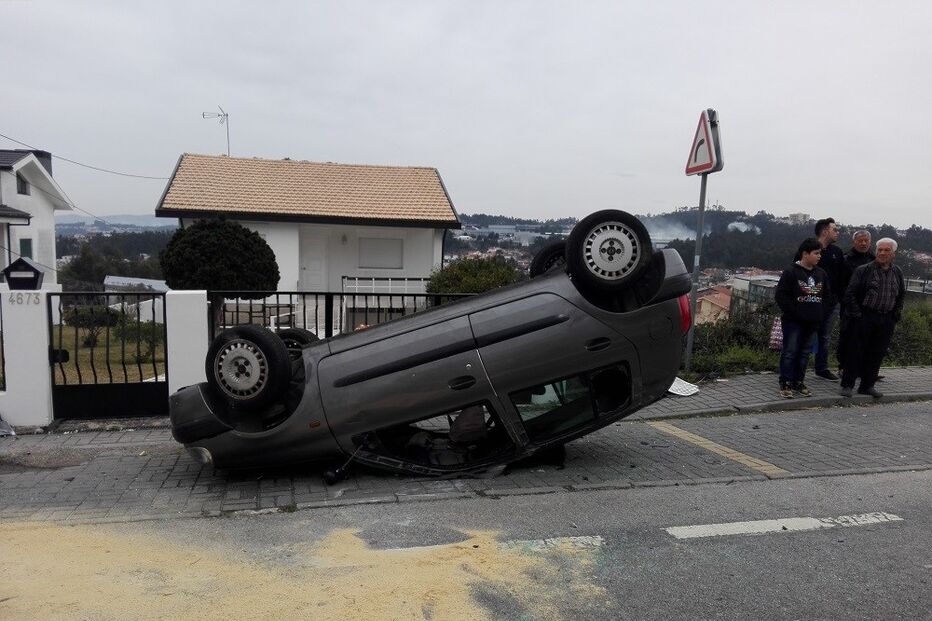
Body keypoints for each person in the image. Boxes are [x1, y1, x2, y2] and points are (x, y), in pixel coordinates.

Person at [840, 238, 905, 399]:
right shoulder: (864, 270)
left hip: (886, 319)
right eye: (879, 250)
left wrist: (895, 315)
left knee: (876, 353)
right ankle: (848, 385)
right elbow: (850, 294)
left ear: (893, 254)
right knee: (855, 352)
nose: (882, 253)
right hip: (865, 316)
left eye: (886, 250)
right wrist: (858, 315)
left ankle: (867, 385)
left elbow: (901, 295)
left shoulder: (897, 272)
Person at [775, 238, 830, 399]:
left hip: (813, 322)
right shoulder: (791, 272)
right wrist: (795, 313)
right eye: (816, 253)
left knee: (805, 353)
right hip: (794, 322)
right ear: (805, 254)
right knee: (790, 351)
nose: (819, 256)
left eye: (820, 253)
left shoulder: (821, 274)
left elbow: (827, 296)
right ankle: (785, 382)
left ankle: (798, 381)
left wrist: (820, 313)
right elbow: (781, 296)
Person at [837, 230, 875, 372]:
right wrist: (846, 302)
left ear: (870, 242)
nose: (863, 243)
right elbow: (840, 284)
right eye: (860, 241)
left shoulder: (874, 259)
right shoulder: (846, 259)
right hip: (849, 306)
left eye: (866, 241)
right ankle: (843, 367)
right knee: (847, 336)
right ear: (854, 242)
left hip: (869, 306)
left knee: (867, 338)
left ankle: (864, 368)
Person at [813, 218, 845, 381]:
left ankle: (821, 368)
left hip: (831, 303)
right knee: (805, 334)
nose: (837, 232)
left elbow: (842, 276)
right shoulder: (810, 248)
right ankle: (797, 367)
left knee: (824, 336)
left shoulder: (837, 252)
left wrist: (837, 297)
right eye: (834, 229)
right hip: (810, 301)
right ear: (825, 231)